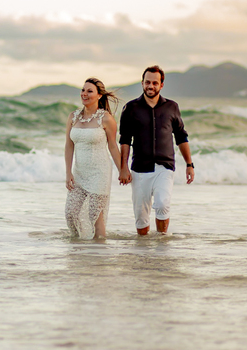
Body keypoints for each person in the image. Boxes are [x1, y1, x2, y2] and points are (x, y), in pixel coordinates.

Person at [118, 65, 193, 235]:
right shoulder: (130, 108)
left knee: (162, 204)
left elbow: (181, 137)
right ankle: (144, 252)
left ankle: (161, 243)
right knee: (141, 216)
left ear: (161, 85)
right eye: (147, 82)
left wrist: (189, 164)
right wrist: (123, 167)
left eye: (154, 83)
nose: (150, 86)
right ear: (142, 83)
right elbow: (124, 140)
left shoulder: (172, 107)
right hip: (139, 168)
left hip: (164, 167)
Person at [64, 78, 125, 240]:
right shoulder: (73, 117)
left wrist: (122, 171)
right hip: (79, 173)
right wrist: (68, 172)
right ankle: (80, 247)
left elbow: (113, 146)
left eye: (89, 91)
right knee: (71, 214)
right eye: (83, 90)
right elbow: (69, 145)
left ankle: (98, 256)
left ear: (99, 95)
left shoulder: (106, 119)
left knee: (95, 214)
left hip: (100, 173)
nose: (84, 94)